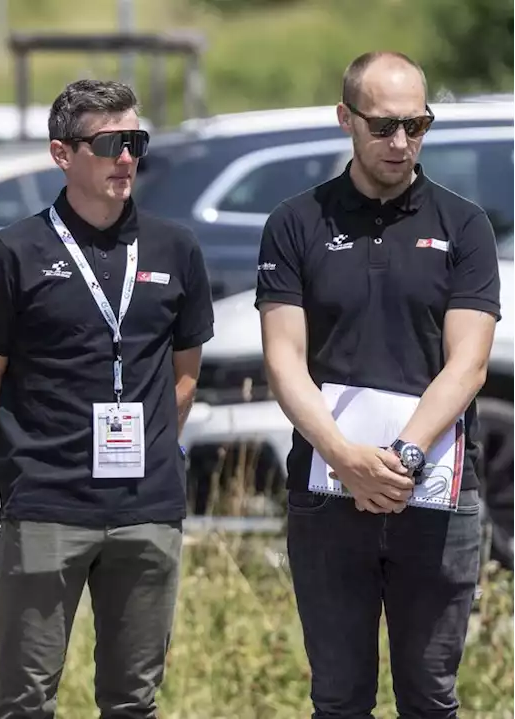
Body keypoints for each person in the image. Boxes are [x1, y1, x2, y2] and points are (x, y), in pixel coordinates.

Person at [0, 79, 215, 719]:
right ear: (62, 153)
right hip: (47, 503)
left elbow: (185, 373)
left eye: (135, 142)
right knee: (25, 699)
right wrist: (28, 459)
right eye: (108, 143)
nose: (126, 158)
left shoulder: (174, 246)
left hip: (147, 506)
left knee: (134, 701)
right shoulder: (14, 252)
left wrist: (153, 447)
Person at [256, 51, 497, 717]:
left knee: (431, 696)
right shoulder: (296, 222)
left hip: (436, 492)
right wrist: (344, 457)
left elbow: (468, 363)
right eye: (384, 126)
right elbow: (284, 359)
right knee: (338, 698)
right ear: (345, 118)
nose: (401, 143)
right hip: (329, 496)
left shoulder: (463, 225)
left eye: (416, 126)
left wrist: (400, 459)